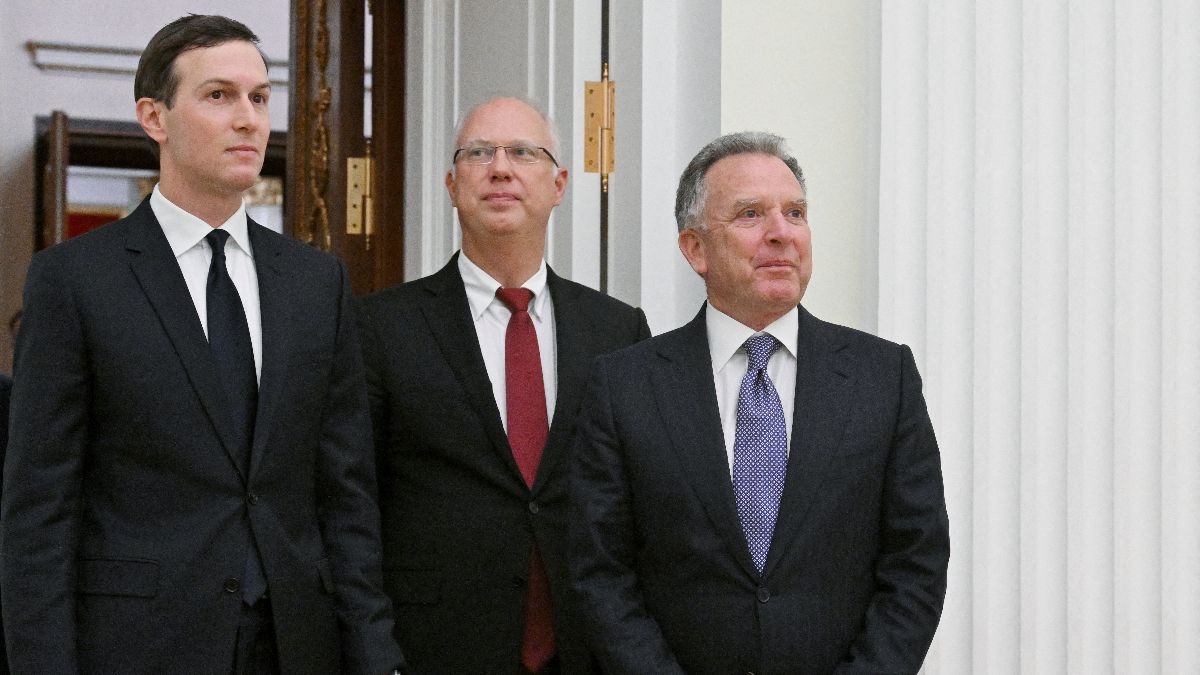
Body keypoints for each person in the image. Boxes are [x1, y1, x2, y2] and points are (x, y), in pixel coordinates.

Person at [2, 15, 403, 674]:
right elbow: (39, 511)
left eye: (259, 97)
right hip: (139, 646)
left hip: (298, 642)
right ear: (153, 117)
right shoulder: (74, 280)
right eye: (219, 95)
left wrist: (375, 654)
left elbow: (346, 494)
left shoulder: (316, 283)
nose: (248, 119)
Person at [569, 131, 950, 674]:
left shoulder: (883, 376)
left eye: (795, 213)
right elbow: (601, 571)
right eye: (750, 214)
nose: (781, 233)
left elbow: (917, 562)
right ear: (695, 248)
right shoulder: (625, 384)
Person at [357, 96, 651, 674]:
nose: (499, 168)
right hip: (434, 650)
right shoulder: (380, 328)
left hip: (586, 649)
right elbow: (352, 508)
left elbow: (638, 507)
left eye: (522, 152)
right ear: (451, 184)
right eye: (478, 153)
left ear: (559, 184)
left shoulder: (618, 331)